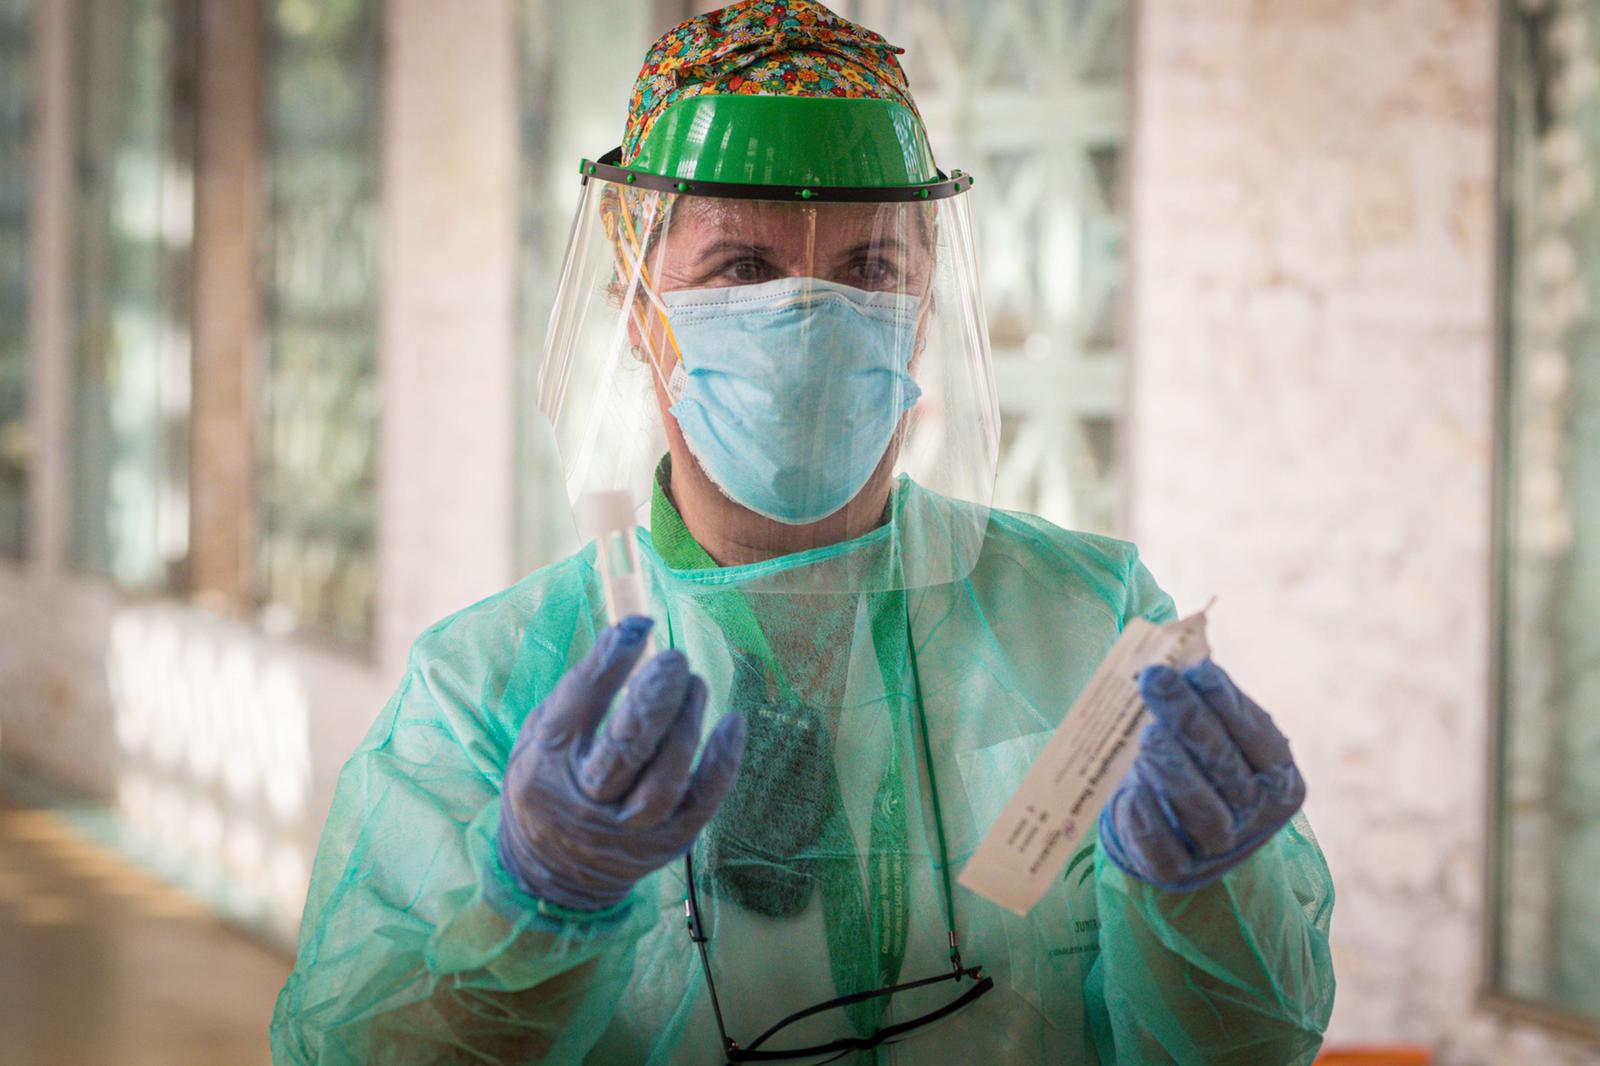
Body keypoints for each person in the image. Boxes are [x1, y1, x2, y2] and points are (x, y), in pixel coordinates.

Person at [270, 3, 1335, 1063]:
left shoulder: (1082, 624)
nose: (812, 314)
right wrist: (528, 909)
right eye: (742, 268)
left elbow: (1245, 1047)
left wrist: (1213, 900)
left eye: (870, 268)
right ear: (639, 306)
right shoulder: (496, 690)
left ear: (923, 303)